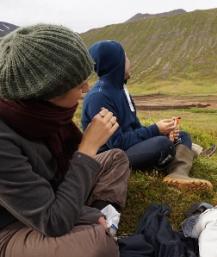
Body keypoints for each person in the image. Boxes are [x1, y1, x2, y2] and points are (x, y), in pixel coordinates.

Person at [0, 24, 131, 257]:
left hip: (52, 195)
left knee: (115, 158)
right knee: (96, 245)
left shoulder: (42, 114)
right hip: (13, 227)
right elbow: (52, 221)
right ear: (49, 91)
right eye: (79, 84)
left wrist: (89, 214)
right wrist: (87, 149)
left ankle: (101, 219)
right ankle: (96, 226)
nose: (86, 88)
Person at [81, 40, 214, 190]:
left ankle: (178, 174)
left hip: (127, 148)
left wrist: (163, 132)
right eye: (126, 58)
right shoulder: (99, 97)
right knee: (162, 144)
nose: (130, 62)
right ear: (116, 63)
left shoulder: (120, 90)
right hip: (112, 156)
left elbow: (134, 128)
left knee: (182, 136)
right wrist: (155, 130)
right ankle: (181, 155)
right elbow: (117, 144)